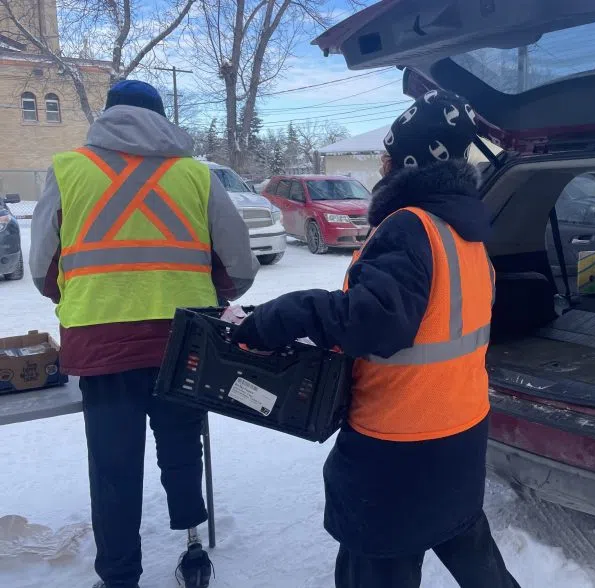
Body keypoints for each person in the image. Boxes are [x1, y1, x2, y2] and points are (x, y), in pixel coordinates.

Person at [233, 90, 520, 588]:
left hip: (398, 444)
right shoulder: (468, 234)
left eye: (389, 155)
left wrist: (282, 314)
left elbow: (375, 322)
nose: (381, 165)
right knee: (469, 548)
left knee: (377, 565)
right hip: (460, 430)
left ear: (408, 162)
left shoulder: (410, 226)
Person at [29, 80, 259, 588]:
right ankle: (193, 545)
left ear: (108, 116)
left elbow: (43, 267)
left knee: (112, 464)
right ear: (162, 118)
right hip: (183, 343)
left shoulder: (68, 169)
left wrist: (76, 296)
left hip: (100, 340)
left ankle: (118, 577)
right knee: (181, 443)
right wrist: (211, 293)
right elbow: (239, 265)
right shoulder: (195, 175)